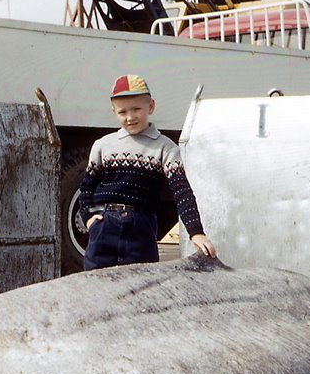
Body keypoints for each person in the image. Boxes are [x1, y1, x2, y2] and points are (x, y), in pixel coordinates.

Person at [78, 74, 217, 270]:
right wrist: (89, 219)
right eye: (122, 111)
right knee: (94, 284)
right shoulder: (102, 145)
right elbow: (86, 188)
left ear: (150, 106)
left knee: (143, 286)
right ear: (114, 111)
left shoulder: (166, 149)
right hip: (104, 227)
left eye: (136, 109)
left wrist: (196, 232)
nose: (130, 117)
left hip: (141, 229)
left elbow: (182, 192)